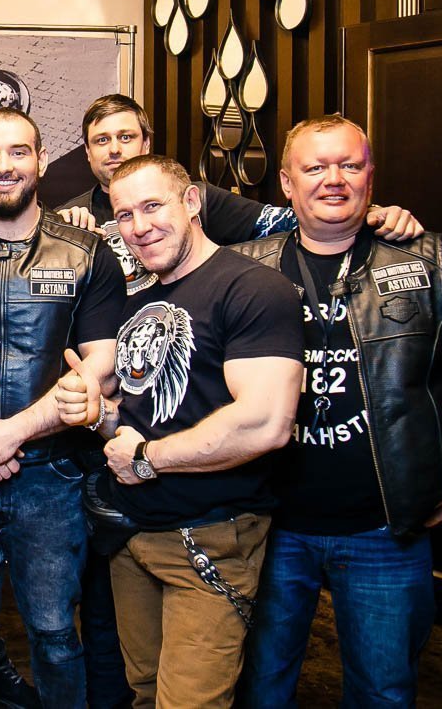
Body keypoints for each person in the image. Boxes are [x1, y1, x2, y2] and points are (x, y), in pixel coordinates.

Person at [234, 116, 442, 707]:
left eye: (349, 165)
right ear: (286, 183)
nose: (333, 179)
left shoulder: (427, 260)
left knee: (383, 694)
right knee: (259, 690)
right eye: (315, 167)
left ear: (370, 175)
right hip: (267, 526)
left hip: (385, 531)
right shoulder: (243, 267)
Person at [55, 154, 304, 708]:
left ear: (191, 202)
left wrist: (148, 458)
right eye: (125, 215)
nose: (140, 226)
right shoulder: (140, 301)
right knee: (144, 693)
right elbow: (141, 420)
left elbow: (266, 423)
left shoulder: (253, 288)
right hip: (134, 536)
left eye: (153, 206)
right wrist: (98, 414)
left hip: (209, 536)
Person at [0, 108, 126, 706]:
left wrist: (10, 434)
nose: (3, 166)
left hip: (51, 478)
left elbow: (101, 364)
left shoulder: (86, 252)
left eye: (18, 152)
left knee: (54, 634)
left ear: (40, 161)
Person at [60, 94, 421, 294]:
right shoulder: (72, 216)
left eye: (126, 137)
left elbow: (292, 220)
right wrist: (61, 236)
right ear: (87, 153)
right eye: (102, 140)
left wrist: (369, 213)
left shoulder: (197, 198)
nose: (115, 149)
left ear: (146, 143)